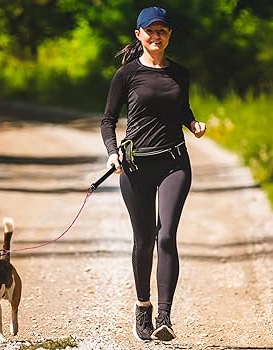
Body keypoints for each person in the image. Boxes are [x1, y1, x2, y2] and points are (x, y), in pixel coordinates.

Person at [100, 6, 206, 342]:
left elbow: (182, 109)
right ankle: (143, 306)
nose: (156, 36)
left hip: (175, 162)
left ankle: (164, 316)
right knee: (144, 240)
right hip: (135, 167)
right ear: (139, 35)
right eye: (150, 31)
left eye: (162, 31)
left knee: (166, 236)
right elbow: (107, 120)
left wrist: (192, 123)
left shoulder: (180, 74)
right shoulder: (127, 75)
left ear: (169, 35)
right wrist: (113, 153)